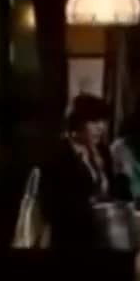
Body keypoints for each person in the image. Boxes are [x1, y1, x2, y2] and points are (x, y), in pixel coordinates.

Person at [39, 94, 118, 249]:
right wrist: (90, 207)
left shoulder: (103, 151)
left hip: (104, 235)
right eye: (94, 122)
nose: (101, 127)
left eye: (103, 121)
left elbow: (112, 190)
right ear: (76, 123)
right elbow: (51, 208)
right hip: (70, 239)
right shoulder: (57, 156)